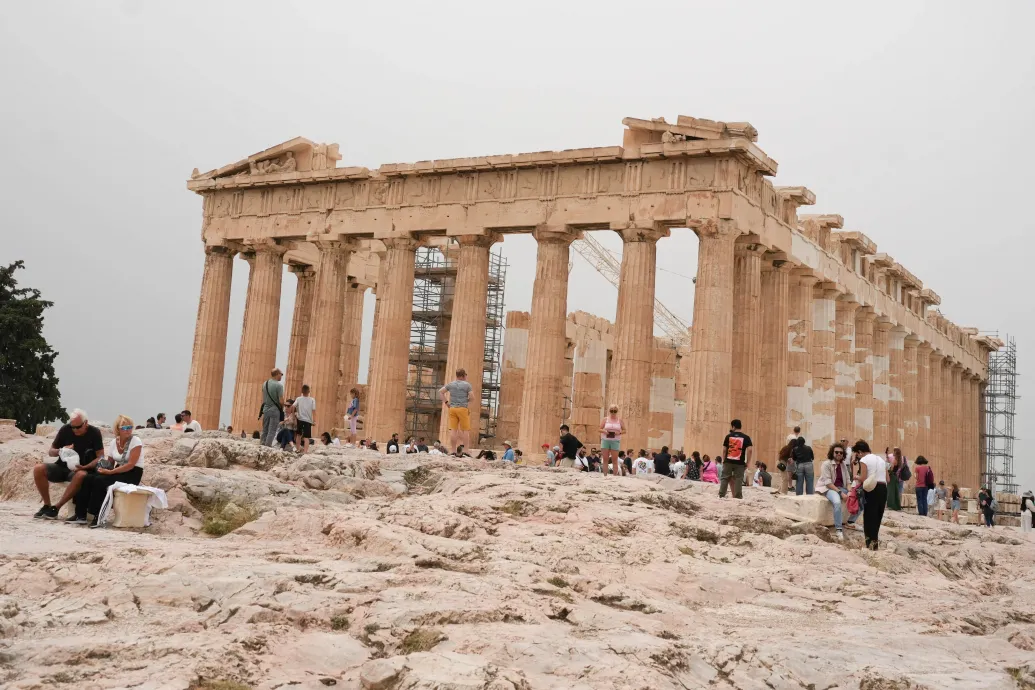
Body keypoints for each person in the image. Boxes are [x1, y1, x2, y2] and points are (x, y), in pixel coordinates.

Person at [72, 415, 145, 528]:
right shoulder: (113, 442)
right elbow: (110, 462)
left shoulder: (136, 441)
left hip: (132, 473)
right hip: (118, 470)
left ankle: (98, 516)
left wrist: (111, 472)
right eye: (124, 428)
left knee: (100, 481)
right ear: (118, 429)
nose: (128, 430)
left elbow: (130, 465)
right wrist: (103, 468)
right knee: (88, 477)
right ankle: (80, 514)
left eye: (130, 427)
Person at [32, 409, 105, 519]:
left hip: (81, 469)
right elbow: (51, 451)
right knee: (38, 468)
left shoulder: (94, 433)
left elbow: (100, 457)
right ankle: (47, 505)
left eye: (78, 427)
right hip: (62, 467)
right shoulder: (65, 430)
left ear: (86, 423)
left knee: (81, 475)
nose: (75, 430)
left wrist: (85, 466)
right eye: (72, 427)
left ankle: (56, 508)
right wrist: (60, 450)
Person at [854, 440, 887, 550]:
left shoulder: (864, 459)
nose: (857, 456)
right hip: (883, 488)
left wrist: (856, 477)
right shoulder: (881, 460)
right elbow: (888, 478)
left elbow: (863, 478)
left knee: (869, 516)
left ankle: (869, 544)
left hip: (872, 488)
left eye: (857, 454)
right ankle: (875, 543)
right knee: (878, 516)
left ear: (860, 452)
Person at [816, 443, 851, 540]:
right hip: (828, 488)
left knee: (859, 497)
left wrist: (850, 491)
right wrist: (841, 493)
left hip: (840, 487)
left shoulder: (843, 465)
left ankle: (851, 522)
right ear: (832, 453)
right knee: (837, 502)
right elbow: (828, 483)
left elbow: (848, 481)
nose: (839, 454)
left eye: (841, 452)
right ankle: (839, 529)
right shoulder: (826, 464)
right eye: (836, 452)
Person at [439, 368, 473, 453]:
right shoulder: (467, 385)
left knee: (453, 430)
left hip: (452, 408)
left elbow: (440, 392)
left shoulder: (451, 384)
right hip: (462, 409)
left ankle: (453, 450)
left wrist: (447, 403)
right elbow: (472, 398)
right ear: (463, 375)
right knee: (465, 430)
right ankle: (465, 450)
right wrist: (466, 400)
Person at [719, 419, 752, 498]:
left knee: (725, 478)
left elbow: (724, 450)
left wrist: (724, 460)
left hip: (728, 461)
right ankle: (737, 496)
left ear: (733, 426)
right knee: (738, 479)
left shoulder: (728, 436)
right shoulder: (746, 437)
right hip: (740, 462)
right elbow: (750, 450)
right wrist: (748, 462)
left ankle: (721, 495)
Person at [260, 368, 285, 447]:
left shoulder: (265, 383)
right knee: (272, 430)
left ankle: (261, 445)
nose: (281, 376)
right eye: (281, 374)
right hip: (275, 410)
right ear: (277, 374)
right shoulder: (279, 385)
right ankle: (267, 447)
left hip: (266, 409)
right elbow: (281, 401)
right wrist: (282, 407)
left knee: (265, 429)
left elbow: (263, 396)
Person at [598, 406, 625, 477]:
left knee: (614, 459)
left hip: (615, 440)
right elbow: (599, 429)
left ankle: (614, 476)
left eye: (615, 411)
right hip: (605, 440)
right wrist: (604, 431)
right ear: (609, 411)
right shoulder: (605, 419)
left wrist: (619, 433)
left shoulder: (620, 420)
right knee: (605, 459)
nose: (613, 412)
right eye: (611, 410)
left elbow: (624, 430)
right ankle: (605, 476)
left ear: (617, 411)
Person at [293, 384, 316, 454]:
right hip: (308, 420)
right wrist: (314, 420)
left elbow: (293, 406)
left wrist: (295, 415)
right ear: (309, 391)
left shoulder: (298, 399)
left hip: (300, 419)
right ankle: (305, 452)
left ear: (302, 391)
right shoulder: (312, 399)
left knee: (298, 435)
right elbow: (313, 410)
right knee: (306, 437)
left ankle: (297, 449)